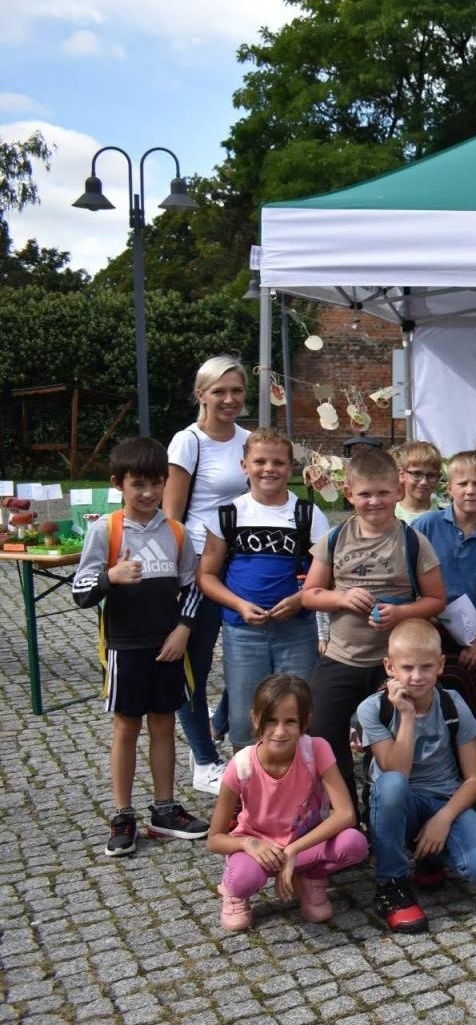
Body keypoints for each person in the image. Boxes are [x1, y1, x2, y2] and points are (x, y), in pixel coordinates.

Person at [74, 435, 210, 856]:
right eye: (138, 484)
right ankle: (122, 813)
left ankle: (164, 810)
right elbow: (80, 590)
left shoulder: (176, 531)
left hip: (167, 645)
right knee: (126, 727)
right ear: (119, 484)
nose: (148, 493)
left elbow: (192, 586)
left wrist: (184, 628)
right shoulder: (106, 529)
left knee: (165, 724)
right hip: (124, 646)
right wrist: (110, 577)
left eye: (156, 483)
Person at [302, 447, 446, 805]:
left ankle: (384, 808)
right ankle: (344, 812)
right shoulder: (335, 539)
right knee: (322, 731)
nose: (374, 502)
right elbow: (310, 595)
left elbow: (436, 600)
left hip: (393, 663)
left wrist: (400, 615)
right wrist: (340, 598)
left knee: (387, 736)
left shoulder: (413, 541)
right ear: (349, 494)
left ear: (398, 491)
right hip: (342, 657)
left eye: (383, 493)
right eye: (365, 494)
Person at [358, 620, 476, 933]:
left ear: (439, 666)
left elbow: (475, 778)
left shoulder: (452, 703)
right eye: (407, 667)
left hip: (442, 800)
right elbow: (397, 771)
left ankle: (431, 857)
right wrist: (406, 716)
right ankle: (391, 883)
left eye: (425, 667)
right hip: (397, 801)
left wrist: (443, 819)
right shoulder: (373, 708)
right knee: (392, 784)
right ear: (389, 667)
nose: (416, 676)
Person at [198, 427, 328, 751]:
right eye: (259, 461)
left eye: (278, 462)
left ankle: (297, 786)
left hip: (296, 631)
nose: (268, 469)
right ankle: (248, 789)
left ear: (290, 468)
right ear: (244, 465)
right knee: (245, 717)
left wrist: (300, 599)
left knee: (298, 710)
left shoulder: (308, 515)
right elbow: (207, 575)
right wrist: (239, 604)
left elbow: (328, 574)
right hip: (243, 632)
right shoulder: (228, 515)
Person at [207, 674, 368, 931]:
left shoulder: (315, 749)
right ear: (255, 718)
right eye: (271, 721)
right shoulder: (242, 765)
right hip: (260, 850)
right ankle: (233, 893)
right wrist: (249, 843)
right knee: (243, 880)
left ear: (305, 722)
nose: (280, 731)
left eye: (290, 721)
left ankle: (310, 877)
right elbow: (214, 839)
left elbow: (346, 814)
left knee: (354, 843)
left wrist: (293, 851)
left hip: (302, 847)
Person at [164, 355, 252, 794]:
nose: (229, 399)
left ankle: (218, 723)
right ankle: (204, 762)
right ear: (201, 394)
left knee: (249, 656)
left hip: (243, 566)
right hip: (198, 570)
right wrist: (179, 578)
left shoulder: (250, 441)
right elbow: (171, 515)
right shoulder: (188, 442)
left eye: (236, 390)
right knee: (193, 669)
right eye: (219, 391)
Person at [413, 451, 476, 749]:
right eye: (462, 483)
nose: (470, 490)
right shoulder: (426, 525)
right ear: (448, 487)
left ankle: (466, 771)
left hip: (469, 632)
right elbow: (406, 575)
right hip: (425, 626)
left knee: (469, 701)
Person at [394, 440, 443, 524]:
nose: (424, 482)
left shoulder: (445, 516)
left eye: (431, 475)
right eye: (416, 474)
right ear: (401, 475)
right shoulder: (389, 515)